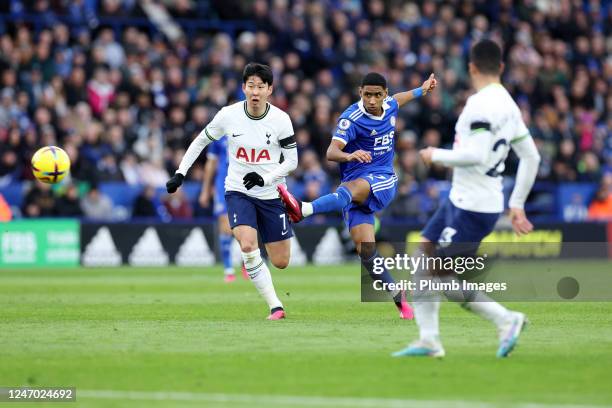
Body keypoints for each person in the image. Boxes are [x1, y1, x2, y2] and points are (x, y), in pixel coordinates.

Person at [393, 39, 541, 358]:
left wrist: (436, 155)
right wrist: (517, 203)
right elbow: (532, 158)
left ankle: (507, 320)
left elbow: (476, 154)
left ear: (471, 68)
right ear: (501, 67)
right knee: (423, 258)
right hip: (461, 200)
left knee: (441, 276)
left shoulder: (480, 105)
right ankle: (429, 339)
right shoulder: (509, 106)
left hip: (473, 206)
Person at [278, 71, 438, 320]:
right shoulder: (351, 119)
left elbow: (402, 98)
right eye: (367, 95)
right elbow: (332, 152)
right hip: (353, 187)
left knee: (350, 190)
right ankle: (399, 296)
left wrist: (422, 89)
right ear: (360, 93)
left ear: (384, 95)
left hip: (383, 178)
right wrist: (349, 156)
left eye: (377, 95)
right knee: (366, 251)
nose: (372, 100)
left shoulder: (390, 105)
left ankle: (304, 209)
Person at [166, 63, 297, 320]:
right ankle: (276, 306)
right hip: (238, 191)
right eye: (251, 86)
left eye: (261, 86)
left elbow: (291, 162)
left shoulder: (281, 120)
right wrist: (180, 172)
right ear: (243, 88)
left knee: (281, 261)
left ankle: (268, 283)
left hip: (271, 193)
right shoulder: (228, 115)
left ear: (270, 89)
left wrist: (264, 178)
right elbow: (201, 140)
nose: (255, 91)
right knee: (247, 244)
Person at [199, 137, 248, 282]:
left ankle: (247, 263)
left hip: (244, 184)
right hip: (223, 186)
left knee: (245, 227)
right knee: (225, 226)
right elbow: (211, 163)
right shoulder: (218, 135)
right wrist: (205, 190)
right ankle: (228, 268)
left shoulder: (247, 129)